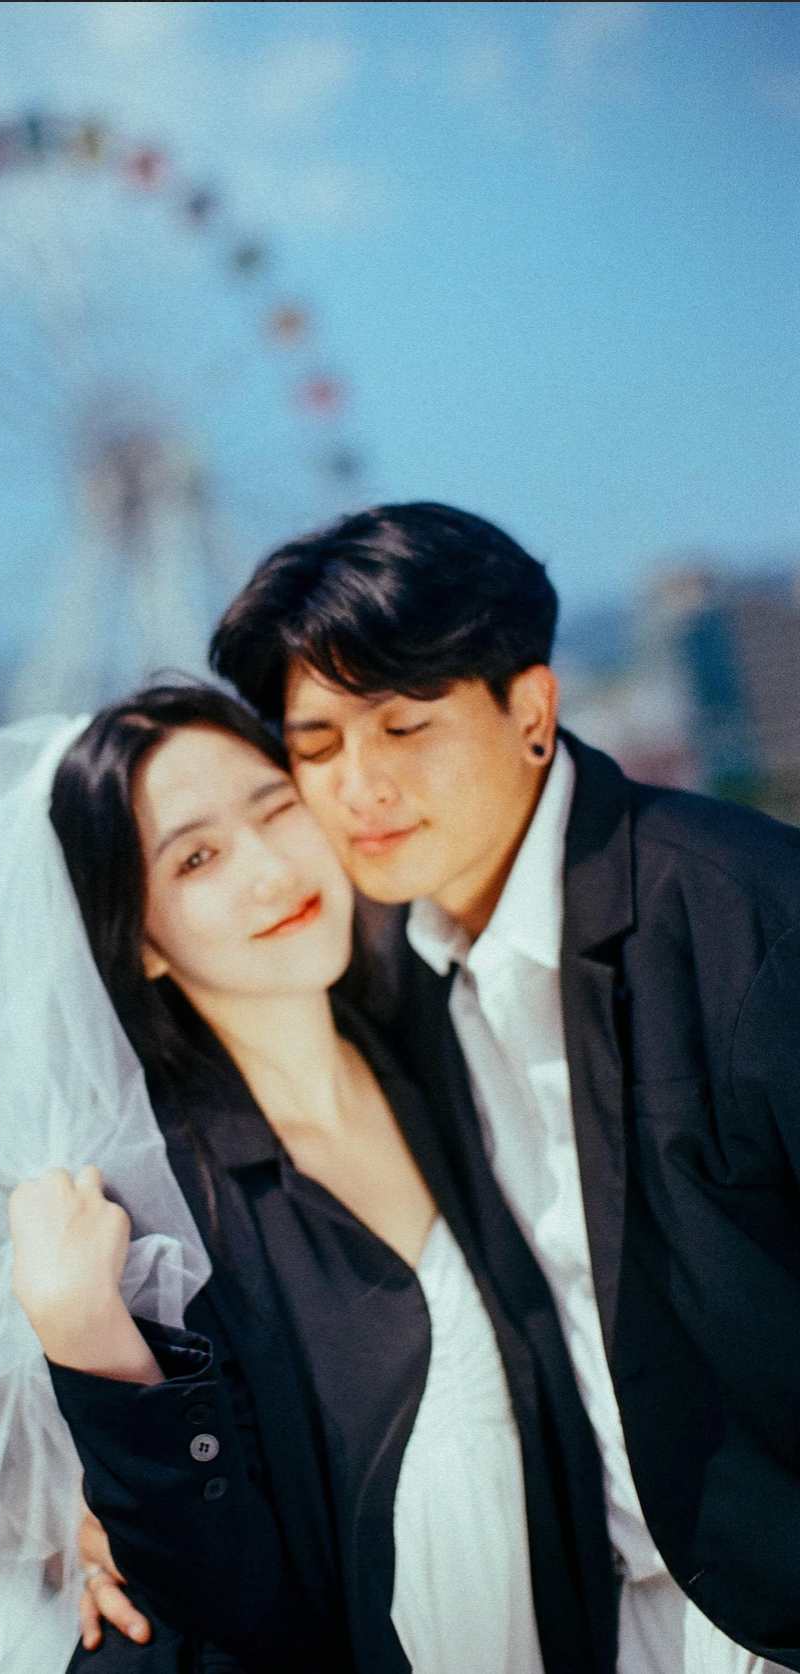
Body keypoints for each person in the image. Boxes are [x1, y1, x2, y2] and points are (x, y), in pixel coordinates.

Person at [190, 501, 798, 1674]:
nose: (358, 786)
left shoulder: (746, 919)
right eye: (316, 746)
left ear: (530, 710)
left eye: (403, 726)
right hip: (601, 1620)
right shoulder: (390, 976)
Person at [8, 683, 615, 1674]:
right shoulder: (161, 1205)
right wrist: (89, 1343)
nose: (271, 870)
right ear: (140, 941)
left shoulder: (434, 1044)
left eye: (277, 808)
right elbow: (224, 1599)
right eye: (197, 858)